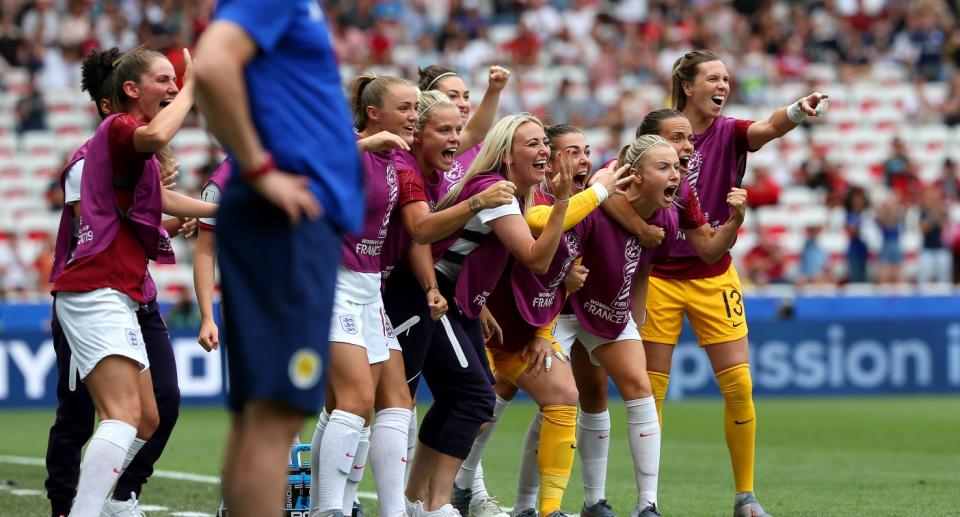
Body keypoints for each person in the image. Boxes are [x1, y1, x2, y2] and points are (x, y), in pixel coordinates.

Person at [192, 1, 364, 515]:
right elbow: (212, 65)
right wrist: (261, 167)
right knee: (274, 416)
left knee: (261, 416)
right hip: (287, 223)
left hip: (285, 223)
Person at [640, 50, 828, 517]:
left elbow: (766, 128)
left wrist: (796, 112)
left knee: (739, 385)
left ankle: (745, 497)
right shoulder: (658, 135)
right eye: (713, 78)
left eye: (726, 77)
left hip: (713, 273)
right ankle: (649, 501)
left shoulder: (730, 132)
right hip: (659, 277)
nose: (723, 85)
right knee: (651, 393)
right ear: (688, 86)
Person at [50, 44, 216, 516]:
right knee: (118, 418)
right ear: (130, 90)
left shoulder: (132, 143)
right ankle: (81, 509)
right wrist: (195, 85)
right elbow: (159, 133)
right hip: (94, 288)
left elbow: (160, 199)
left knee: (147, 419)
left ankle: (101, 504)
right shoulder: (122, 127)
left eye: (175, 79)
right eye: (164, 80)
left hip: (118, 291)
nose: (173, 87)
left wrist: (223, 211)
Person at [385, 113, 572, 517]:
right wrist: (562, 202)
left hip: (454, 299)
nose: (545, 151)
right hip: (428, 296)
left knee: (463, 396)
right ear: (506, 155)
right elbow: (537, 261)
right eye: (533, 144)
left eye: (545, 143)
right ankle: (437, 503)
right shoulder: (496, 192)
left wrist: (479, 302)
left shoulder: (508, 193)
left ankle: (414, 500)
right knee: (473, 397)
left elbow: (465, 252)